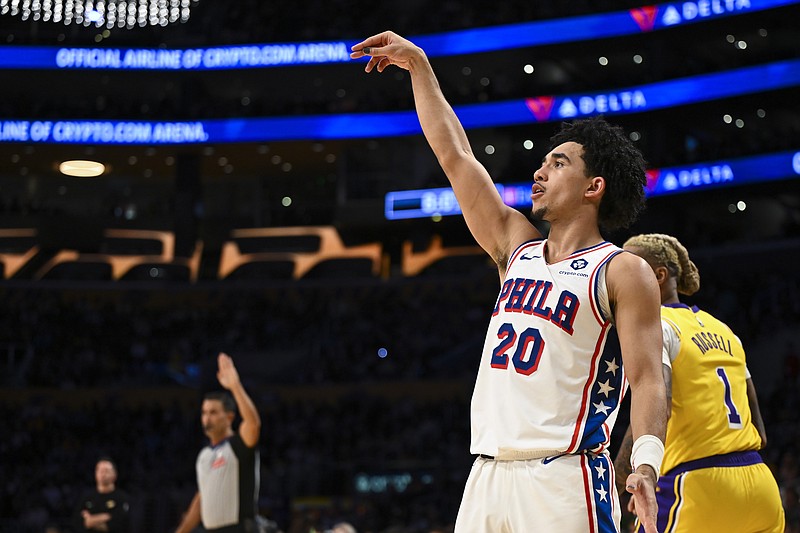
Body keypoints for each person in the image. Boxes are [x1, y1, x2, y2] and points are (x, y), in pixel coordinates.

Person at [350, 32, 668, 532]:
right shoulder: (514, 244)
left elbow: (649, 378)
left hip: (564, 476)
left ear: (594, 187)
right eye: (543, 162)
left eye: (558, 163)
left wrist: (647, 464)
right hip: (487, 473)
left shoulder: (622, 270)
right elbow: (456, 158)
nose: (540, 171)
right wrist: (420, 68)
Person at [613, 233, 785, 532]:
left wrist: (619, 483)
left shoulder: (658, 325)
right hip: (761, 487)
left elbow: (655, 409)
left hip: (697, 486)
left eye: (627, 268)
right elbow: (759, 430)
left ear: (658, 275)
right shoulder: (725, 330)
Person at [175, 352, 262, 533]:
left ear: (229, 417)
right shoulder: (204, 455)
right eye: (204, 413)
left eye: (213, 412)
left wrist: (235, 386)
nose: (207, 418)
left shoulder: (237, 446)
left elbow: (253, 424)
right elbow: (201, 499)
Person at [76, 457, 131, 532]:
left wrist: (91, 520)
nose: (103, 474)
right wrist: (105, 517)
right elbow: (80, 523)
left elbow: (118, 525)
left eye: (106, 471)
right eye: (100, 471)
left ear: (114, 475)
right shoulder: (87, 497)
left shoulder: (122, 498)